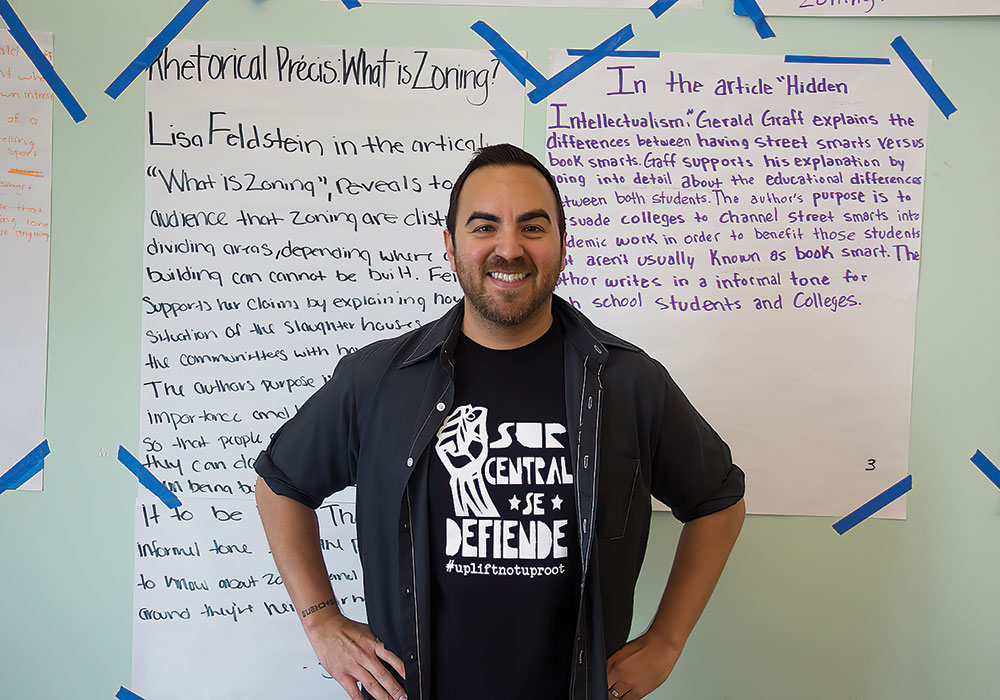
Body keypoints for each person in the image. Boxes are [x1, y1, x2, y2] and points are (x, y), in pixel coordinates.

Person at [254, 143, 746, 700]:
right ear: (451, 245)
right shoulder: (379, 379)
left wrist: (666, 642)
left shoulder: (628, 382)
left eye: (533, 227)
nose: (509, 249)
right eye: (485, 226)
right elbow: (282, 483)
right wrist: (321, 622)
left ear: (563, 245)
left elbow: (718, 501)